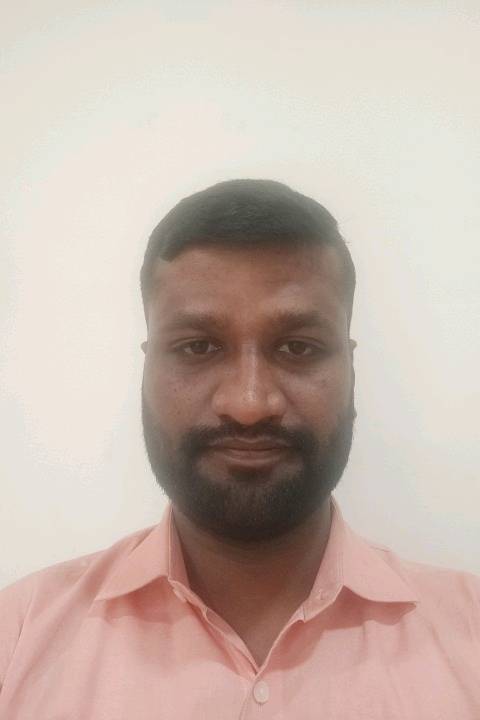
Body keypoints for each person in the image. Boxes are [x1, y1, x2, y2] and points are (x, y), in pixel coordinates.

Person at [0, 179, 478, 719]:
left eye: (298, 347)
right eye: (198, 346)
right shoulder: (18, 638)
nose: (249, 404)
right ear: (148, 367)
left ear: (350, 369)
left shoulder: (471, 638)